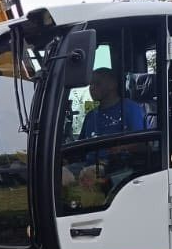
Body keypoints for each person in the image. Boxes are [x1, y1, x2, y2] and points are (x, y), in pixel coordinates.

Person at [61, 69, 148, 207]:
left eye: (97, 83)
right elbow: (81, 148)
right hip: (88, 167)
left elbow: (142, 145)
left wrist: (113, 154)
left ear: (112, 84)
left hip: (118, 169)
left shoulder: (131, 109)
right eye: (90, 84)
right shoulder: (91, 115)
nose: (91, 88)